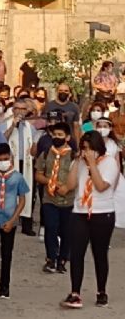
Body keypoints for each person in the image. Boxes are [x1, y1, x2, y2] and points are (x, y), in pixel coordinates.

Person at [60, 131, 119, 309]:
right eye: (84, 148)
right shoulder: (80, 162)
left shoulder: (109, 162)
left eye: (90, 148)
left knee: (99, 253)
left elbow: (101, 186)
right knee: (77, 253)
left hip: (103, 212)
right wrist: (77, 163)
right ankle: (75, 293)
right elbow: (70, 186)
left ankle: (102, 292)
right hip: (80, 212)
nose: (86, 152)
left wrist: (93, 164)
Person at [0, 143, 28, 300]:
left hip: (10, 219)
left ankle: (5, 287)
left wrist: (13, 219)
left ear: (10, 158)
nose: (3, 161)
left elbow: (22, 199)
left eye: (5, 159)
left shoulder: (17, 177)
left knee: (7, 253)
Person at [34, 122, 75, 274]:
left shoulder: (74, 156)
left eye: (60, 135)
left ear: (67, 137)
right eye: (54, 135)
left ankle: (63, 259)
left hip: (68, 200)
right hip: (49, 198)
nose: (56, 138)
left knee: (66, 231)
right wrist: (51, 183)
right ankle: (51, 258)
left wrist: (68, 187)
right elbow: (38, 174)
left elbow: (78, 176)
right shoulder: (45, 153)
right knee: (50, 228)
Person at [3, 100, 38, 236]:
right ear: (13, 110)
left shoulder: (30, 127)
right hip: (11, 163)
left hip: (27, 163)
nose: (20, 111)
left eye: (23, 109)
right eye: (17, 108)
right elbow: (2, 139)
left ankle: (26, 224)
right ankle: (9, 220)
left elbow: (34, 148)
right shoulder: (5, 124)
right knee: (10, 192)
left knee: (27, 192)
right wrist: (13, 126)